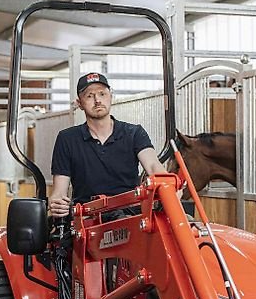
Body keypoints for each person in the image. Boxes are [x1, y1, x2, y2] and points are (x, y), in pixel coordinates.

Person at [49, 72, 167, 218]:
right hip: (88, 218)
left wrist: (168, 185)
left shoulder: (134, 133)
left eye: (102, 94)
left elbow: (153, 166)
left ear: (111, 96)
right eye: (89, 96)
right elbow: (59, 192)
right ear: (79, 103)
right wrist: (57, 203)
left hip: (131, 216)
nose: (97, 100)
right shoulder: (67, 139)